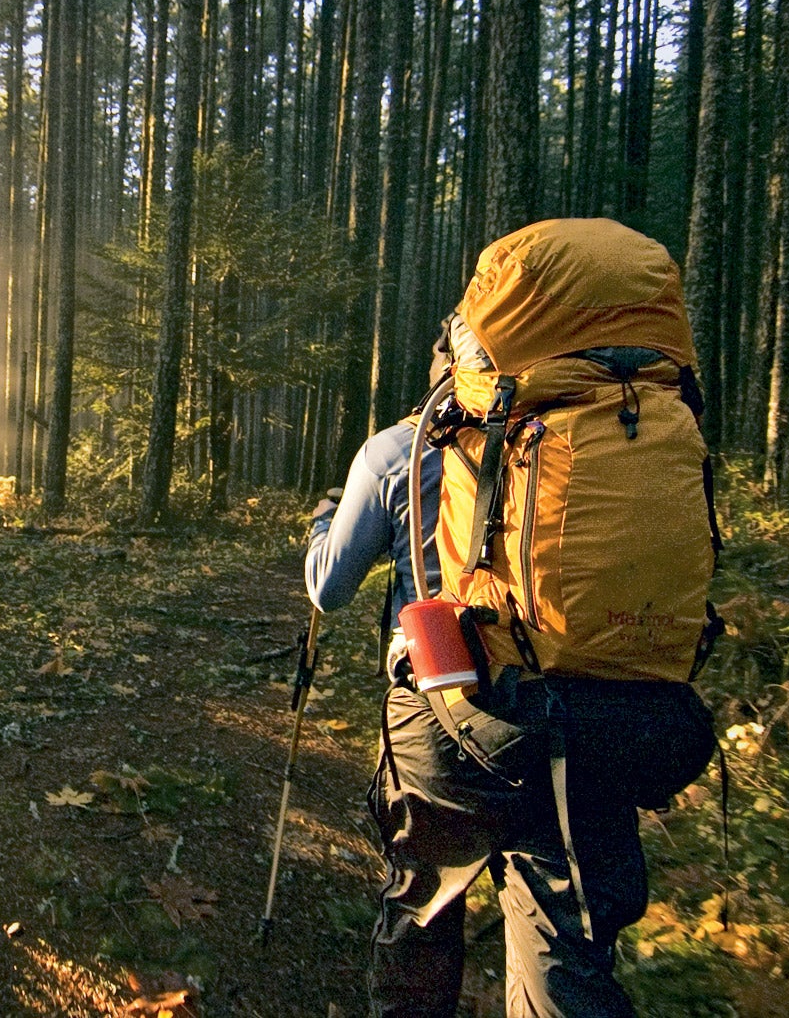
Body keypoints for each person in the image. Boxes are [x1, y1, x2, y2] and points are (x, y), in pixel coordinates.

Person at [306, 320, 716, 1017]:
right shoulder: (616, 436)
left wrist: (322, 523)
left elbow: (329, 587)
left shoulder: (399, 449)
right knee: (566, 951)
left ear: (447, 372)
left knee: (423, 914)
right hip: (587, 723)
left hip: (444, 715)